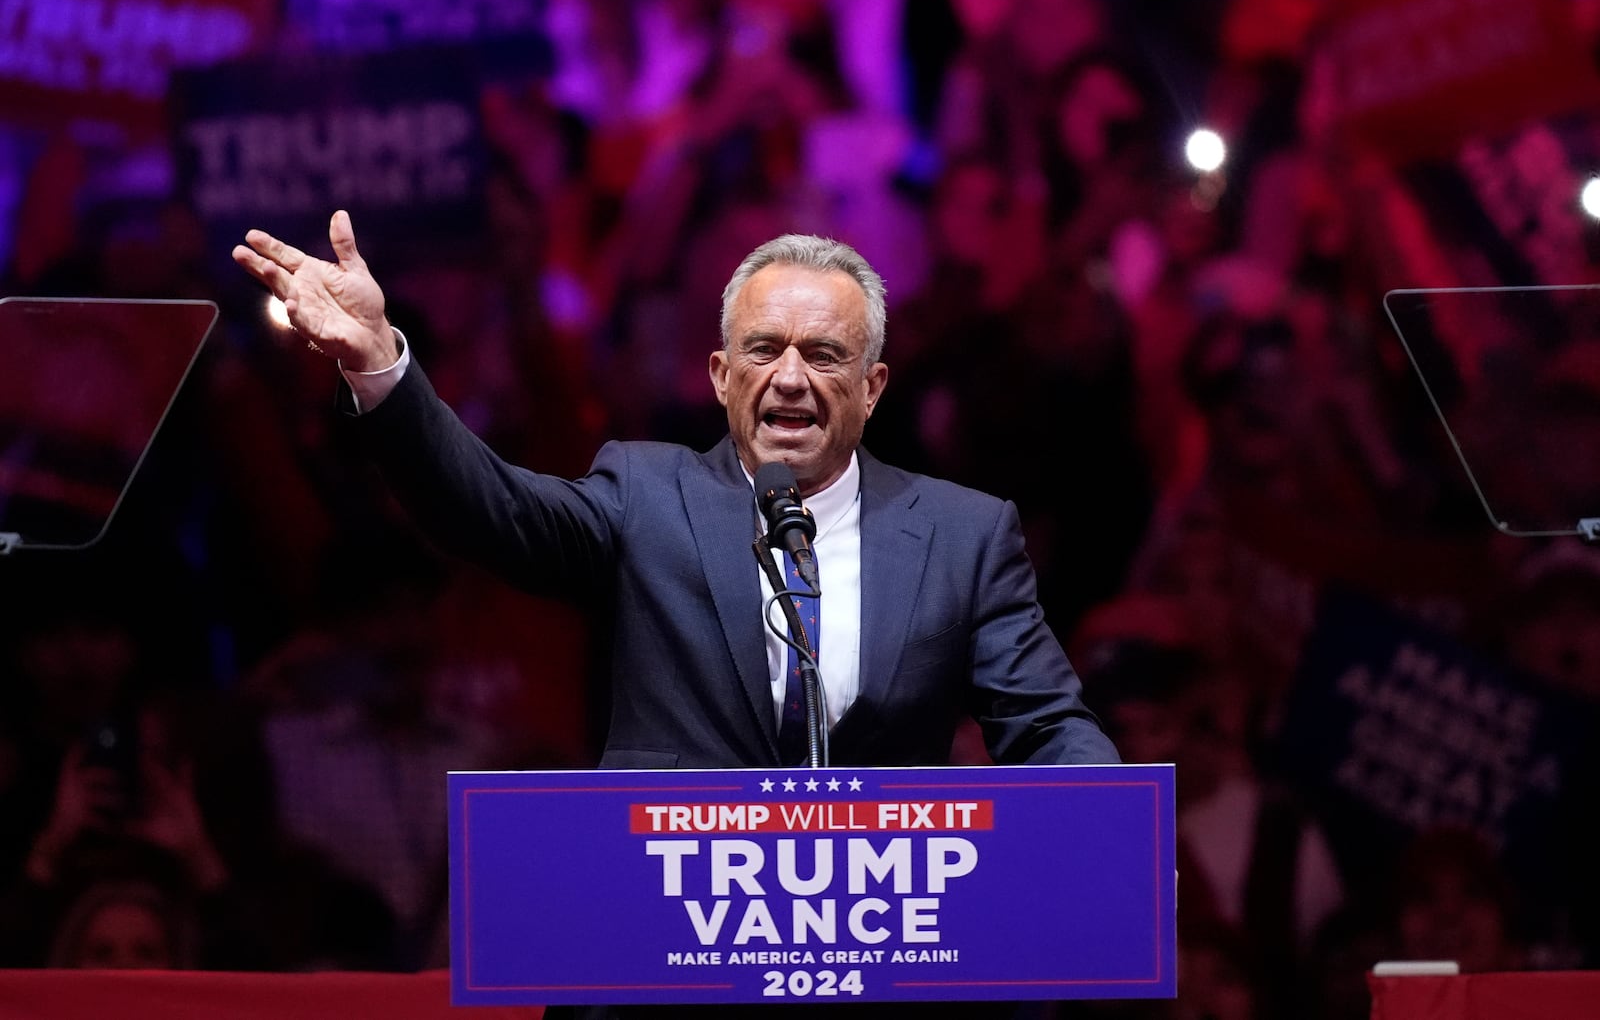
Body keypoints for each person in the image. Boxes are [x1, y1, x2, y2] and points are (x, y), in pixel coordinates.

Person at [233, 211, 1120, 1014]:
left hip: (885, 981)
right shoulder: (646, 495)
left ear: (876, 383)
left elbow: (1048, 725)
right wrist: (379, 362)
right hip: (663, 982)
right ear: (719, 373)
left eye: (825, 355)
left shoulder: (964, 534)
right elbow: (489, 508)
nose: (790, 379)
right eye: (764, 350)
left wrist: (1112, 830)